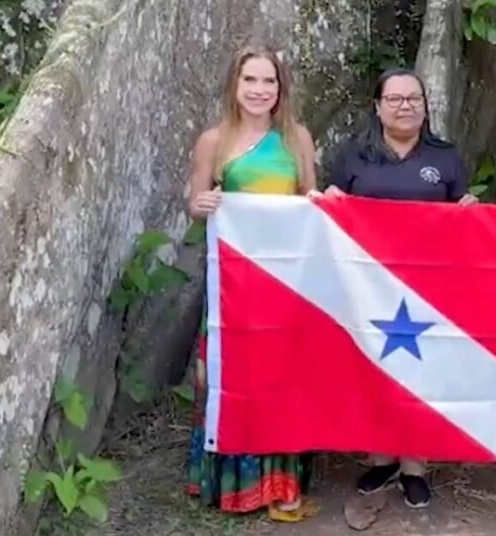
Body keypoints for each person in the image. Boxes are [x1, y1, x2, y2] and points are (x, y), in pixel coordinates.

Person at [322, 67, 478, 509]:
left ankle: (415, 464)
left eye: (413, 99)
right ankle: (380, 457)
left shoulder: (445, 157)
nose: (405, 106)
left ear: (426, 107)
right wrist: (327, 203)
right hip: (364, 286)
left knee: (419, 371)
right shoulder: (355, 155)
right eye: (395, 99)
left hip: (425, 288)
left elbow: (462, 216)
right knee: (370, 366)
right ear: (378, 107)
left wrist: (469, 210)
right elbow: (332, 208)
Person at [184, 44, 320, 523]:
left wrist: (322, 200)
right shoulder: (213, 141)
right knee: (228, 374)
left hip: (285, 283)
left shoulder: (297, 139)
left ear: (280, 89)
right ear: (234, 86)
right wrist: (200, 205)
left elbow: (310, 198)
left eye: (269, 82)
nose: (260, 90)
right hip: (233, 284)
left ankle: (282, 481)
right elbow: (196, 200)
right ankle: (230, 482)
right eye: (251, 81)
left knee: (281, 375)